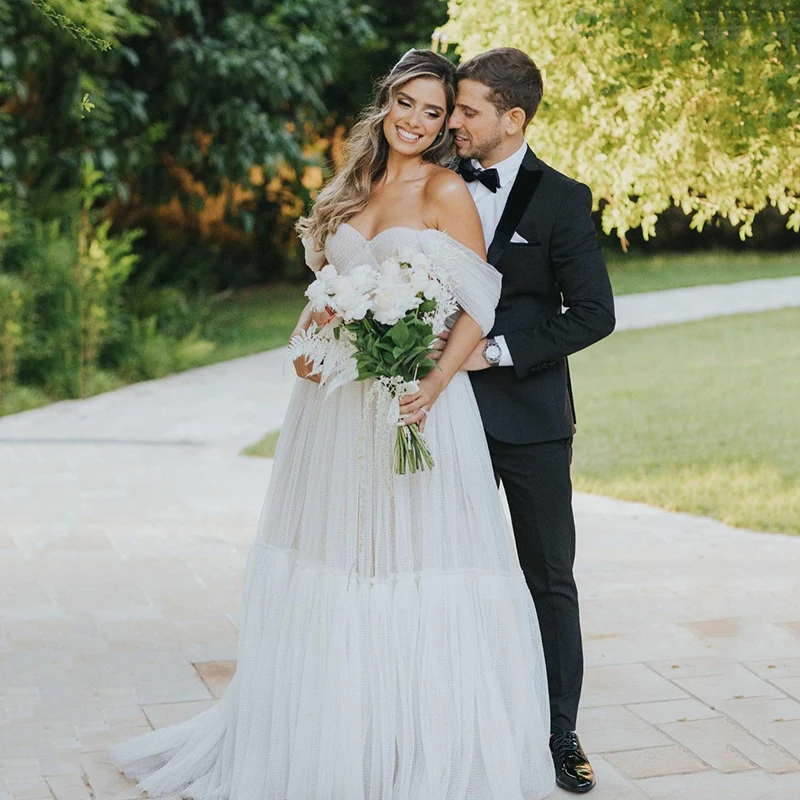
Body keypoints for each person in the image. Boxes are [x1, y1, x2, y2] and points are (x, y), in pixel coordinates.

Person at [110, 49, 555, 800]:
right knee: (336, 562)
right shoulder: (352, 189)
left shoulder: (447, 191)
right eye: (406, 103)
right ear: (385, 103)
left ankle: (410, 748)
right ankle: (330, 742)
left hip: (415, 407)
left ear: (449, 124)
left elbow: (480, 305)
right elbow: (325, 299)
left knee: (413, 567)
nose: (417, 121)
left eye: (434, 111)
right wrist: (306, 343)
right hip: (334, 411)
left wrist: (436, 384)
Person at [434, 48, 616, 793]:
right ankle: (459, 721)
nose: (454, 121)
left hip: (532, 420)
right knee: (446, 574)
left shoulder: (563, 200)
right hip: (443, 417)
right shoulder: (434, 182)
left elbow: (595, 315)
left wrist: (499, 351)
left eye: (469, 109)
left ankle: (560, 734)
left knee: (548, 578)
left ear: (514, 118)